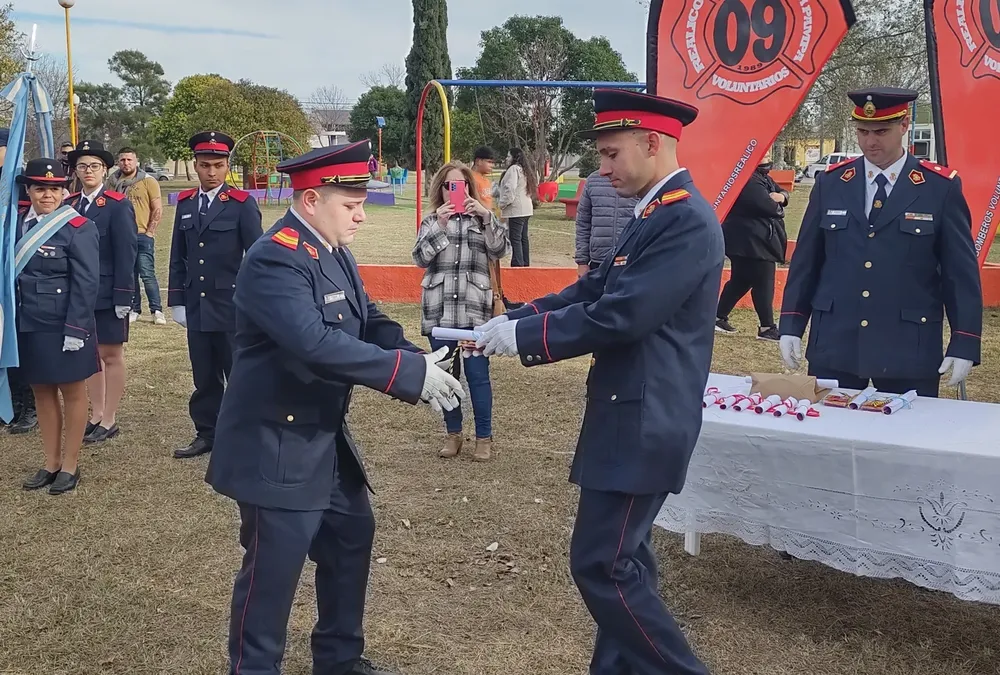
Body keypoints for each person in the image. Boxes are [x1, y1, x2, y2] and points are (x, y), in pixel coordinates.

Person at [476, 88, 721, 675]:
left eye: (611, 155)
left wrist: (527, 340)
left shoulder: (685, 219)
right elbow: (594, 290)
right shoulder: (657, 212)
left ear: (652, 143)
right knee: (625, 559)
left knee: (601, 565)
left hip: (645, 417)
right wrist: (514, 318)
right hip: (629, 412)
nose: (602, 169)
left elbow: (622, 314)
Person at [205, 139, 464, 675]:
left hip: (322, 439)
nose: (361, 215)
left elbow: (369, 320)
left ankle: (339, 660)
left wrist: (415, 354)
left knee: (350, 539)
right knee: (271, 576)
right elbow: (314, 342)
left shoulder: (332, 250)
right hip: (275, 444)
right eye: (350, 205)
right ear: (309, 201)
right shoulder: (276, 256)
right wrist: (408, 376)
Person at [778, 87, 982, 397]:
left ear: (903, 126)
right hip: (836, 341)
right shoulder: (831, 183)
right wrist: (792, 323)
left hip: (907, 346)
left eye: (881, 131)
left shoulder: (939, 188)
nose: (870, 141)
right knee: (831, 437)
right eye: (862, 131)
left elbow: (960, 273)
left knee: (907, 440)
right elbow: (807, 261)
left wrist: (965, 340)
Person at [168, 131, 262, 459]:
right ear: (195, 165)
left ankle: (244, 435)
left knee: (238, 373)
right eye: (205, 165)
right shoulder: (185, 204)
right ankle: (207, 433)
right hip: (197, 305)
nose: (212, 172)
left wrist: (256, 302)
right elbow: (178, 255)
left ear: (227, 166)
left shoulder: (241, 204)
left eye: (218, 165)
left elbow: (258, 256)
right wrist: (177, 300)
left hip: (232, 306)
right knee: (204, 376)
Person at [413, 161, 509, 461]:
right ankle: (453, 433)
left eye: (462, 184)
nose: (457, 190)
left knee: (478, 375)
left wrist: (486, 216)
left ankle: (484, 437)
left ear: (469, 187)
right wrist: (440, 226)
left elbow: (500, 250)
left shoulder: (482, 219)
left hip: (473, 311)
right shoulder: (431, 221)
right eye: (449, 186)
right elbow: (419, 257)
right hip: (440, 310)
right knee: (446, 376)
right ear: (440, 190)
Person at [16, 158, 101, 495]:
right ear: (29, 190)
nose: (47, 195)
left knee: (73, 392)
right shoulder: (16, 224)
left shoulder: (78, 227)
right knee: (42, 391)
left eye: (54, 188)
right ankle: (50, 462)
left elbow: (86, 283)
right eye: (40, 188)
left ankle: (70, 465)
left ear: (65, 191)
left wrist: (77, 330)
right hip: (30, 322)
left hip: (64, 324)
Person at [66, 140, 138, 443]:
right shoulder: (69, 204)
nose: (88, 171)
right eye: (82, 166)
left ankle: (109, 418)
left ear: (105, 169)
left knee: (111, 355)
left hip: (108, 291)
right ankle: (95, 414)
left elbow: (127, 252)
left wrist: (125, 295)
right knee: (90, 356)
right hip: (79, 294)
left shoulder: (116, 204)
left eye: (94, 166)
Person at [715, 151, 788, 341]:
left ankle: (718, 317)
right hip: (751, 240)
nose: (767, 156)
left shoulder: (763, 177)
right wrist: (778, 201)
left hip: (752, 239)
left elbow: (784, 194)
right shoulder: (748, 179)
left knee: (741, 280)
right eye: (763, 154)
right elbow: (768, 206)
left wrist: (781, 197)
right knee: (764, 282)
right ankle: (767, 328)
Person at [108, 147, 166, 325]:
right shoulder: (113, 181)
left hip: (142, 234)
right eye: (122, 160)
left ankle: (156, 310)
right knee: (129, 275)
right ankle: (135, 308)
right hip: (121, 236)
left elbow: (157, 208)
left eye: (129, 160)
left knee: (147, 273)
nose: (126, 163)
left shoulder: (148, 181)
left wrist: (150, 232)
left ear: (136, 161)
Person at [574, 170, 639, 275]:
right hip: (598, 262)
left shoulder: (639, 180)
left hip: (631, 262)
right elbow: (583, 223)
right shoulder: (593, 180)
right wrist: (582, 262)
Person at [498, 147, 536, 266]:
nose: (506, 159)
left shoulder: (513, 169)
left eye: (508, 156)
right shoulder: (525, 170)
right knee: (523, 238)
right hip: (526, 209)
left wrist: (501, 204)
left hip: (516, 210)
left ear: (514, 158)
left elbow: (510, 189)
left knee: (515, 238)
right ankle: (525, 263)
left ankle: (518, 265)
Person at [470, 146, 496, 211]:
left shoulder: (486, 179)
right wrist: (487, 211)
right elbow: (475, 200)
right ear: (478, 161)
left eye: (493, 163)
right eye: (489, 162)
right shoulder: (470, 178)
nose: (492, 166)